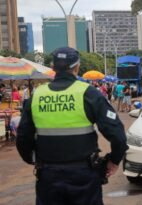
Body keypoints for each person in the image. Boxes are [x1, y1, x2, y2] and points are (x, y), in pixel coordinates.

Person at [16, 47, 128, 205]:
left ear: (53, 67)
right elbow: (118, 135)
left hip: (48, 175)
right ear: (77, 67)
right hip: (84, 177)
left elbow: (22, 137)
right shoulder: (89, 93)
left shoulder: (37, 96)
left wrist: (32, 160)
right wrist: (114, 160)